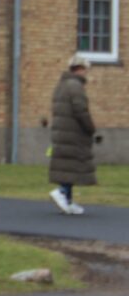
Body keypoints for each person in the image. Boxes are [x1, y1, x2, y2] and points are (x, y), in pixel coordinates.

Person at [48, 54, 97, 215]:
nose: (86, 72)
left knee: (67, 167)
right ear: (80, 69)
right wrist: (90, 128)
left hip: (62, 132)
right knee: (75, 164)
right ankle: (62, 192)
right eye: (85, 69)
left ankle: (68, 201)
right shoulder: (76, 86)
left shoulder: (61, 85)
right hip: (74, 133)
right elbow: (80, 110)